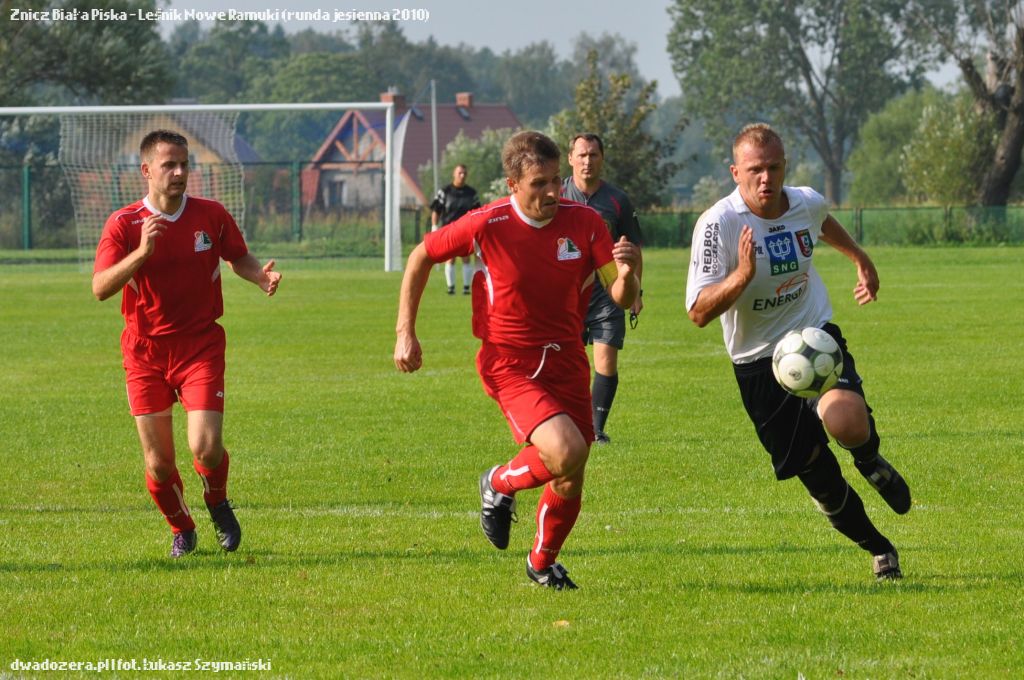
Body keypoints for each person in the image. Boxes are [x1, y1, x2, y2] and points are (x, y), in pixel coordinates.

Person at [395, 131, 640, 589]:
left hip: (567, 360)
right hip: (509, 364)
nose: (551, 192)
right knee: (567, 451)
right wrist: (405, 332)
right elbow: (421, 256)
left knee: (571, 475)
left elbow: (620, 294)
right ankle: (499, 483)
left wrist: (627, 275)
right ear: (512, 184)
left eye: (554, 180)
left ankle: (542, 564)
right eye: (538, 184)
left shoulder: (586, 222)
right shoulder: (487, 223)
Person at [684, 123, 911, 581]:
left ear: (785, 166)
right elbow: (699, 311)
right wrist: (741, 276)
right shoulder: (718, 224)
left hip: (812, 336)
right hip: (757, 364)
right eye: (755, 169)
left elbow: (822, 222)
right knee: (820, 479)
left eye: (774, 167)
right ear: (735, 172)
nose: (766, 178)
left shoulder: (804, 201)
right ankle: (879, 547)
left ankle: (869, 460)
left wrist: (860, 258)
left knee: (846, 419)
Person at [93, 130, 282, 558]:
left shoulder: (211, 215)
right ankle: (182, 528)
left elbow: (238, 256)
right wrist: (142, 253)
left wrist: (259, 276)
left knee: (206, 448)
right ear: (146, 170)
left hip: (199, 346)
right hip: (145, 353)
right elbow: (100, 287)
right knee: (159, 463)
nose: (179, 172)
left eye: (184, 164)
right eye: (169, 165)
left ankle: (217, 501)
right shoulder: (124, 224)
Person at [561, 133, 644, 444]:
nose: (587, 161)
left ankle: (595, 429)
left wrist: (635, 291)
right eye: (582, 155)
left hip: (608, 290)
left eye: (593, 155)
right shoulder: (557, 194)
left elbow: (634, 249)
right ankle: (565, 422)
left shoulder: (617, 200)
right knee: (565, 364)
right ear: (570, 158)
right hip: (566, 294)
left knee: (606, 362)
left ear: (602, 159)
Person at [430, 164, 482, 295]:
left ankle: (466, 288)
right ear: (454, 174)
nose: (462, 175)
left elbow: (478, 212)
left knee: (466, 258)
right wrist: (434, 227)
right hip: (449, 230)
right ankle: (451, 287)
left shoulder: (471, 193)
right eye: (460, 173)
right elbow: (436, 210)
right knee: (450, 258)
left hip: (466, 230)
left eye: (464, 173)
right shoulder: (444, 192)